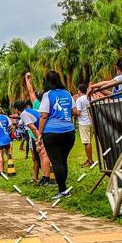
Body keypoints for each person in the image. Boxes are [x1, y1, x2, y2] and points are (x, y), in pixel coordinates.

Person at [37, 71, 77, 199]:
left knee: (56, 161)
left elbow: (43, 116)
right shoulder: (67, 93)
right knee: (63, 160)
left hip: (52, 133)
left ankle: (63, 190)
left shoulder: (47, 95)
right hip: (69, 132)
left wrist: (39, 134)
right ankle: (63, 187)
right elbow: (75, 111)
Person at [12, 100, 46, 183]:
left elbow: (33, 129)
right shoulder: (33, 110)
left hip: (40, 135)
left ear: (16, 109)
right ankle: (36, 177)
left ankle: (45, 178)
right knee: (38, 157)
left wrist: (39, 140)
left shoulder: (23, 114)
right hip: (46, 131)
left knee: (40, 156)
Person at [73, 83, 94, 166]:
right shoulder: (89, 97)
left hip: (83, 123)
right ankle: (89, 159)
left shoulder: (79, 100)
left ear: (79, 90)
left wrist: (72, 112)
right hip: (91, 122)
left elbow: (78, 113)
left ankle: (90, 161)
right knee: (88, 142)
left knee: (86, 142)